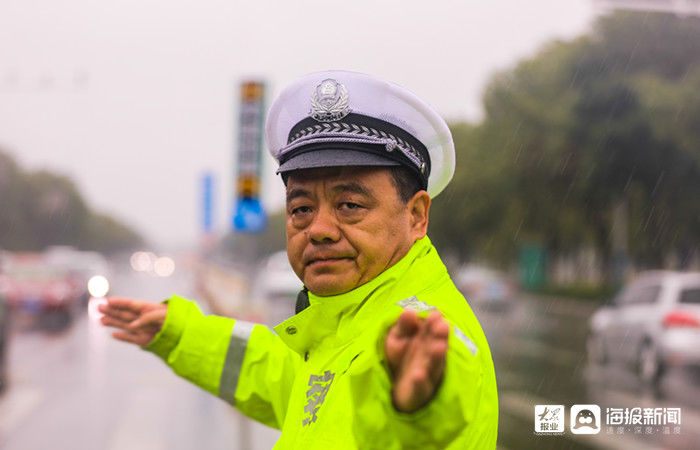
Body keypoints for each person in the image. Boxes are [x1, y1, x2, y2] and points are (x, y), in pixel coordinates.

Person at [100, 70, 498, 449]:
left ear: (416, 216)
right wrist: (180, 332)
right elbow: (278, 372)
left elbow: (430, 396)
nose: (319, 228)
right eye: (302, 208)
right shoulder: (345, 327)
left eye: (349, 204)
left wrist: (412, 408)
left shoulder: (423, 332)